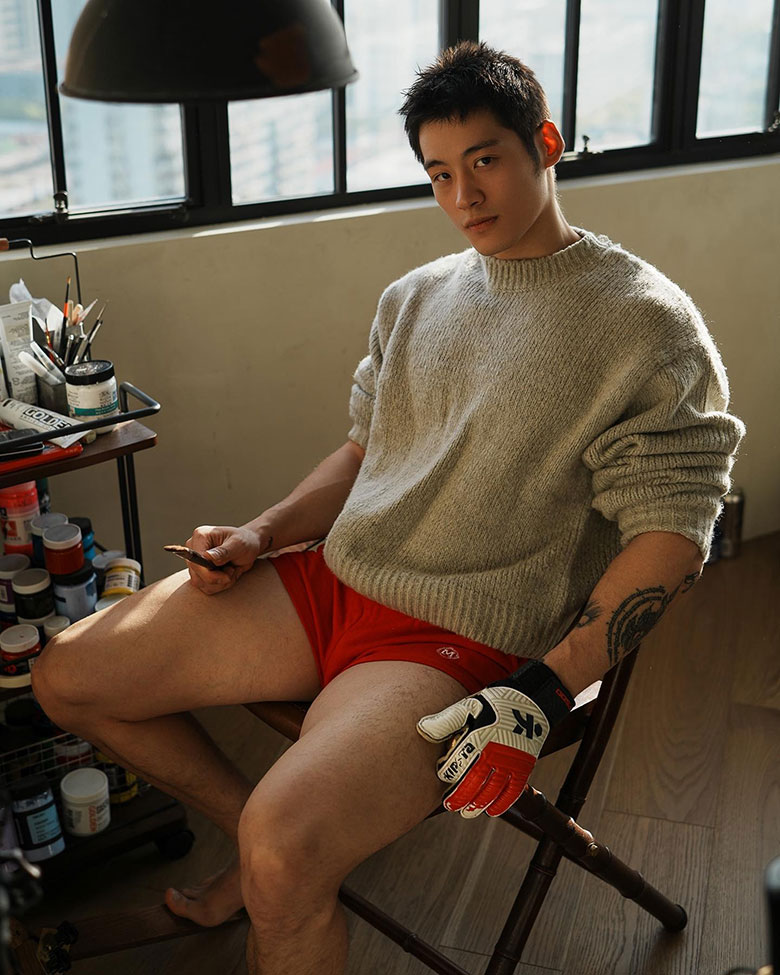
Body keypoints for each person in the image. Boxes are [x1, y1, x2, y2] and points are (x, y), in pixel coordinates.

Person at [31, 41, 744, 975]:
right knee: (68, 676)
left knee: (287, 854)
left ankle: (273, 867)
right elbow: (366, 450)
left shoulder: (644, 323)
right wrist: (261, 532)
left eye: (485, 161)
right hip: (334, 581)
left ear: (546, 144)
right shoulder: (417, 296)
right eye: (439, 174)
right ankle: (261, 855)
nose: (464, 196)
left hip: (459, 636)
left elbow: (674, 534)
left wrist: (546, 687)